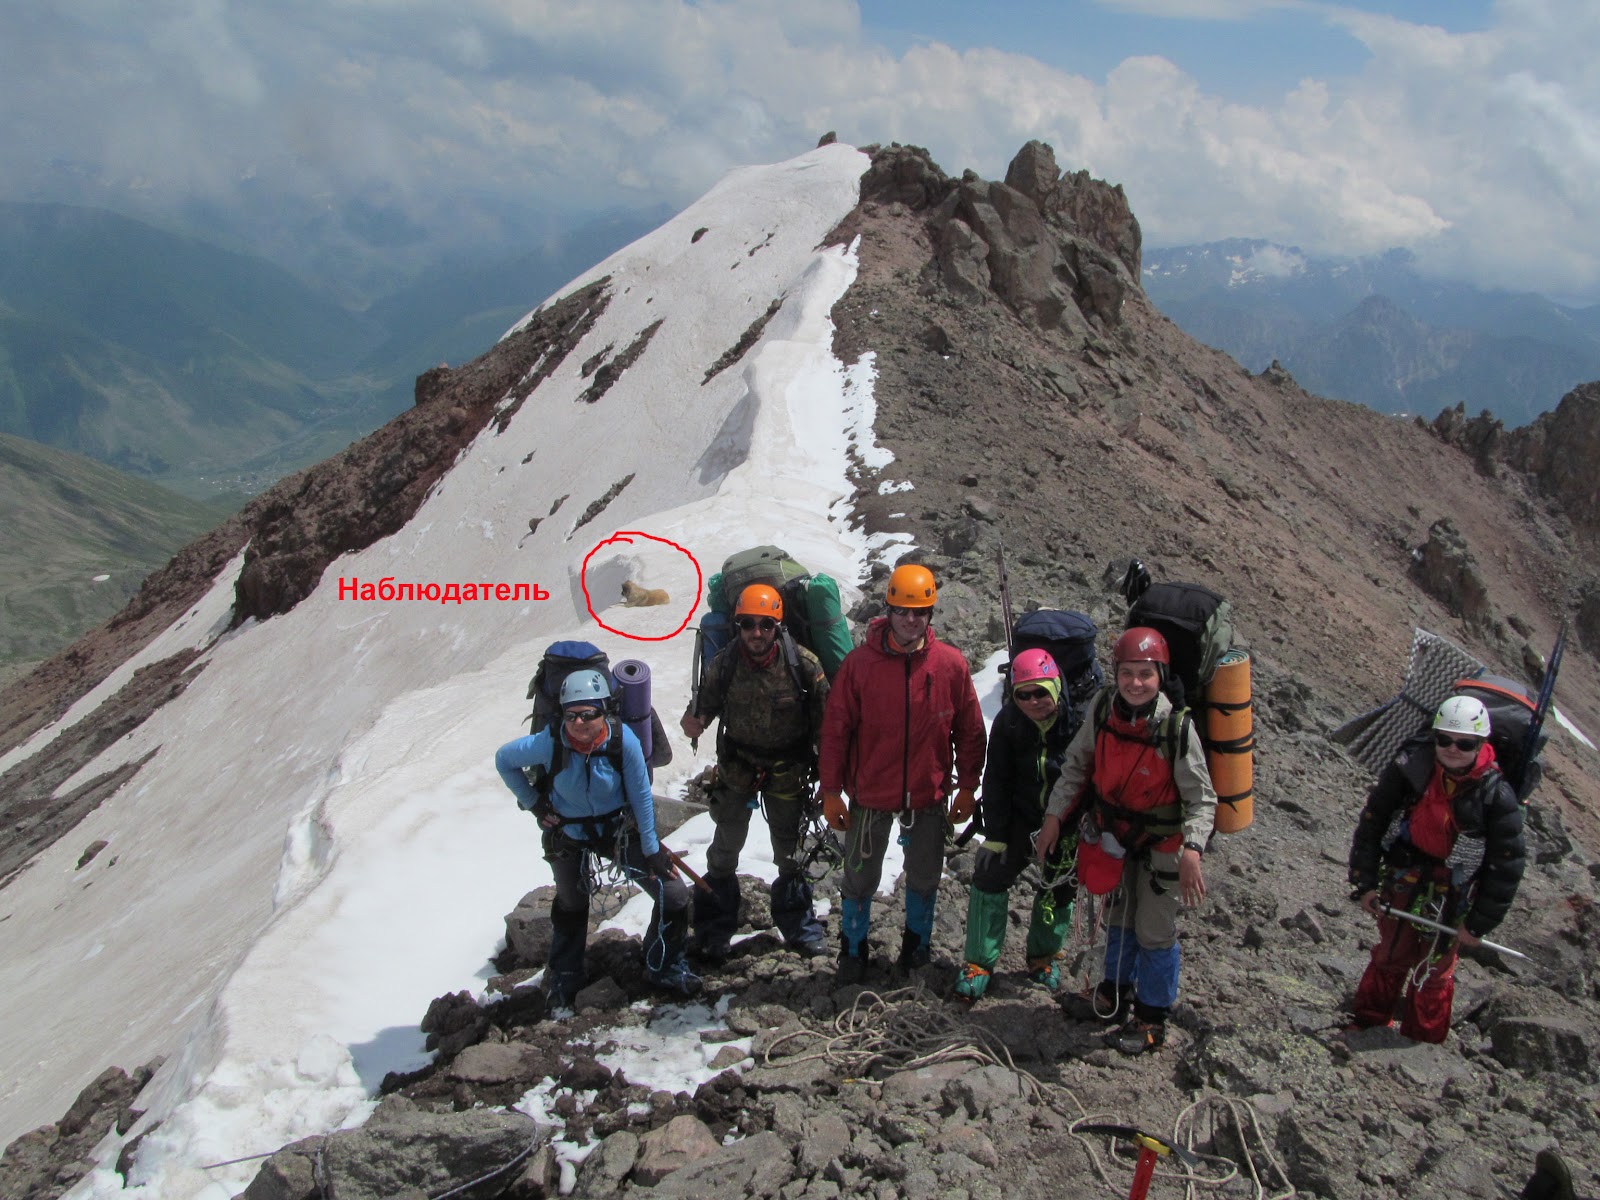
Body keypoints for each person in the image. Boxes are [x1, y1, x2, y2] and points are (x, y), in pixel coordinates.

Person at [1036, 627, 1215, 1055]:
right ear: (1115, 673)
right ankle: (1113, 996)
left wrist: (1193, 849)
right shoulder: (1102, 709)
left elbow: (1202, 797)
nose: (1136, 683)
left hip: (1163, 849)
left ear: (1160, 675)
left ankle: (1152, 1019)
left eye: (1146, 674)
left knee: (1154, 932)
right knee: (1117, 920)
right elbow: (1077, 767)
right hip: (1114, 837)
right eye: (1128, 673)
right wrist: (1053, 818)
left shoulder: (1176, 727)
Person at [818, 563, 987, 982]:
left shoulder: (949, 665)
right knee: (859, 879)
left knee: (926, 876)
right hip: (870, 793)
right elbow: (836, 730)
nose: (911, 620)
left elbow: (969, 730)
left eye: (921, 612)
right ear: (888, 609)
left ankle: (917, 949)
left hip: (926, 795)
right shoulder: (860, 666)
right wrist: (831, 791)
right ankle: (852, 951)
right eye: (902, 611)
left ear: (931, 614)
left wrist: (967, 787)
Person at [495, 668, 700, 1006]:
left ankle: (663, 964)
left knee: (674, 894)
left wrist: (651, 850)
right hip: (569, 834)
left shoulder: (622, 742)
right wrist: (535, 804)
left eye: (588, 714)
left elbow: (641, 796)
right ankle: (565, 976)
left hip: (617, 830)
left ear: (604, 712)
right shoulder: (550, 742)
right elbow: (504, 760)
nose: (579, 723)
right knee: (572, 904)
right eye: (572, 715)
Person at [1347, 695, 1526, 1042]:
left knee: (1436, 966)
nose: (1452, 748)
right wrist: (1364, 882)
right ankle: (1368, 1022)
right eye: (1444, 739)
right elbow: (1374, 821)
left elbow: (1506, 865)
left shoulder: (1496, 796)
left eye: (1464, 743)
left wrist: (1478, 924)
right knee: (1391, 951)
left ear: (1481, 743)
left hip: (1454, 891)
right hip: (1405, 873)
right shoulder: (1411, 769)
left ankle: (1422, 1041)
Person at [680, 583, 831, 958]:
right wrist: (694, 719)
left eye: (765, 624)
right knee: (725, 847)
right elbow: (706, 705)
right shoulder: (726, 663)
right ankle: (714, 928)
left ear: (778, 626)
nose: (756, 633)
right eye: (748, 624)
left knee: (790, 852)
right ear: (737, 625)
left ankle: (799, 926)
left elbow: (826, 728)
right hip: (738, 769)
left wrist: (829, 781)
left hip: (788, 770)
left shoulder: (805, 666)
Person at [955, 648, 1081, 1001]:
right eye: (1023, 694)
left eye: (1041, 692)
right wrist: (995, 835)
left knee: (1058, 888)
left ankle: (1043, 957)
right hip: (1019, 819)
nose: (1033, 701)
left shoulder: (1080, 724)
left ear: (1056, 687)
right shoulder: (1010, 723)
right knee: (990, 875)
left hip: (1066, 825)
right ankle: (979, 963)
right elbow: (996, 779)